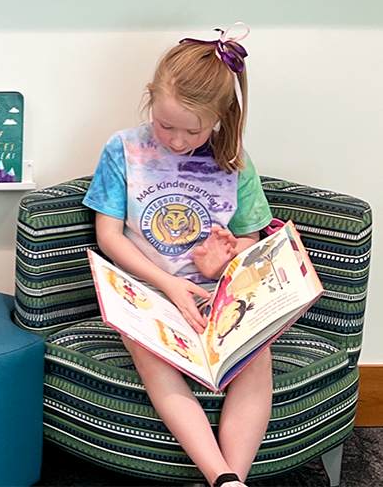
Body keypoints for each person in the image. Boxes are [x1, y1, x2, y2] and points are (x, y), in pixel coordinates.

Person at [83, 24, 273, 487]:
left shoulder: (236, 162)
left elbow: (250, 239)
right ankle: (220, 476)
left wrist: (223, 262)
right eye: (166, 125)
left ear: (221, 117)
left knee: (256, 356)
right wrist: (168, 285)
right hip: (148, 290)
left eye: (194, 130)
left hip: (217, 293)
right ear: (151, 99)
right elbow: (108, 236)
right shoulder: (123, 149)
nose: (177, 140)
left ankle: (234, 481)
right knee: (153, 357)